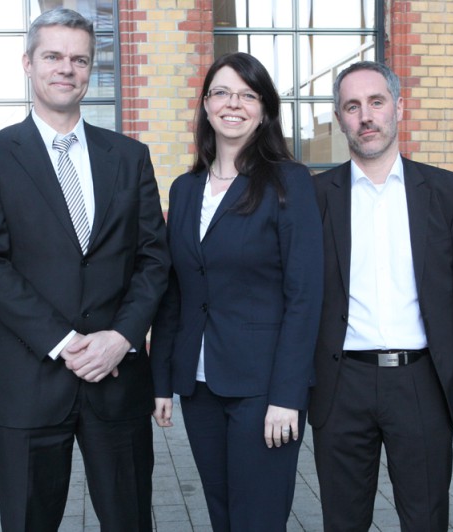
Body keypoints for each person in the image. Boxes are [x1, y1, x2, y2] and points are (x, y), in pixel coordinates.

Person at [0, 8, 169, 532]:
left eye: (79, 59)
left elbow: (153, 258)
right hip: (29, 382)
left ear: (91, 69)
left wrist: (122, 336)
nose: (66, 69)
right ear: (28, 63)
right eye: (53, 56)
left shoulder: (130, 156)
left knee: (130, 521)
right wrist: (65, 341)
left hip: (116, 378)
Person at [150, 51, 323, 531]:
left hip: (263, 388)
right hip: (200, 386)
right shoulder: (185, 189)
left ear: (264, 110)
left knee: (258, 519)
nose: (233, 104)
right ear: (206, 105)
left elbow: (305, 296)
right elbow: (174, 292)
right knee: (222, 515)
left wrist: (287, 395)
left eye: (248, 95)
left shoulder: (289, 182)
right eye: (222, 92)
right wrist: (161, 380)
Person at [309, 61, 453, 531]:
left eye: (376, 102)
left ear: (399, 107)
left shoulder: (447, 192)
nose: (366, 116)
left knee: (426, 519)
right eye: (352, 106)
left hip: (420, 380)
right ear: (340, 118)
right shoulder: (314, 196)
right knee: (343, 521)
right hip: (341, 382)